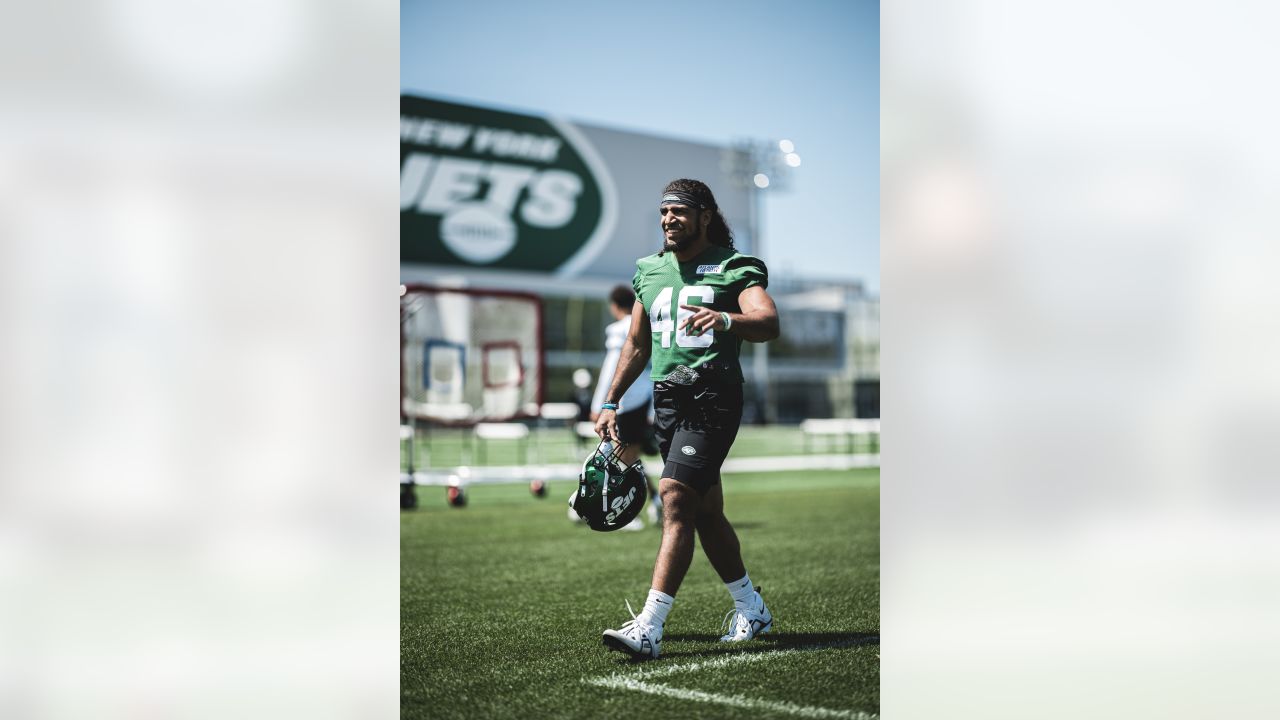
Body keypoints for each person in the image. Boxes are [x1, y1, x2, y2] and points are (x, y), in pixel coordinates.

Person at [595, 178, 781, 659]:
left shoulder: (734, 266)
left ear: (704, 216)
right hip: (668, 403)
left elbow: (767, 321)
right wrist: (611, 400)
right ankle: (751, 606)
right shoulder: (649, 271)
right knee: (706, 512)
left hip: (713, 397)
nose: (668, 219)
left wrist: (726, 319)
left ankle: (649, 627)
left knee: (675, 497)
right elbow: (637, 344)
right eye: (663, 212)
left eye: (679, 211)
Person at [588, 285, 661, 528]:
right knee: (631, 459)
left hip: (625, 403)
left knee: (621, 461)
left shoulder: (621, 330)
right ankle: (656, 500)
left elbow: (612, 370)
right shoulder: (648, 325)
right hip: (645, 401)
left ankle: (626, 513)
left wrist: (600, 405)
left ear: (614, 306)